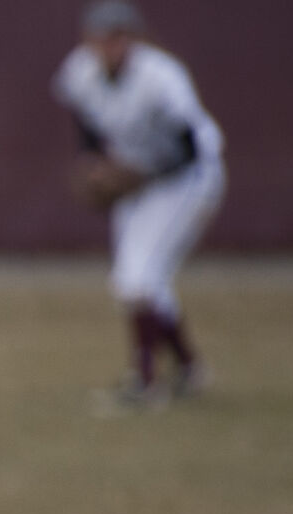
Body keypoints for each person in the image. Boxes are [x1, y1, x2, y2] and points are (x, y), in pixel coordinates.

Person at [53, 0, 227, 406]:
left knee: (138, 278)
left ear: (132, 38)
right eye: (101, 37)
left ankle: (147, 383)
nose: (109, 45)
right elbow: (87, 123)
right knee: (139, 281)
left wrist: (138, 175)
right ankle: (188, 369)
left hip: (188, 179)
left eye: (117, 37)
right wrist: (93, 162)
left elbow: (190, 148)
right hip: (139, 180)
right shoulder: (81, 70)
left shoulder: (161, 76)